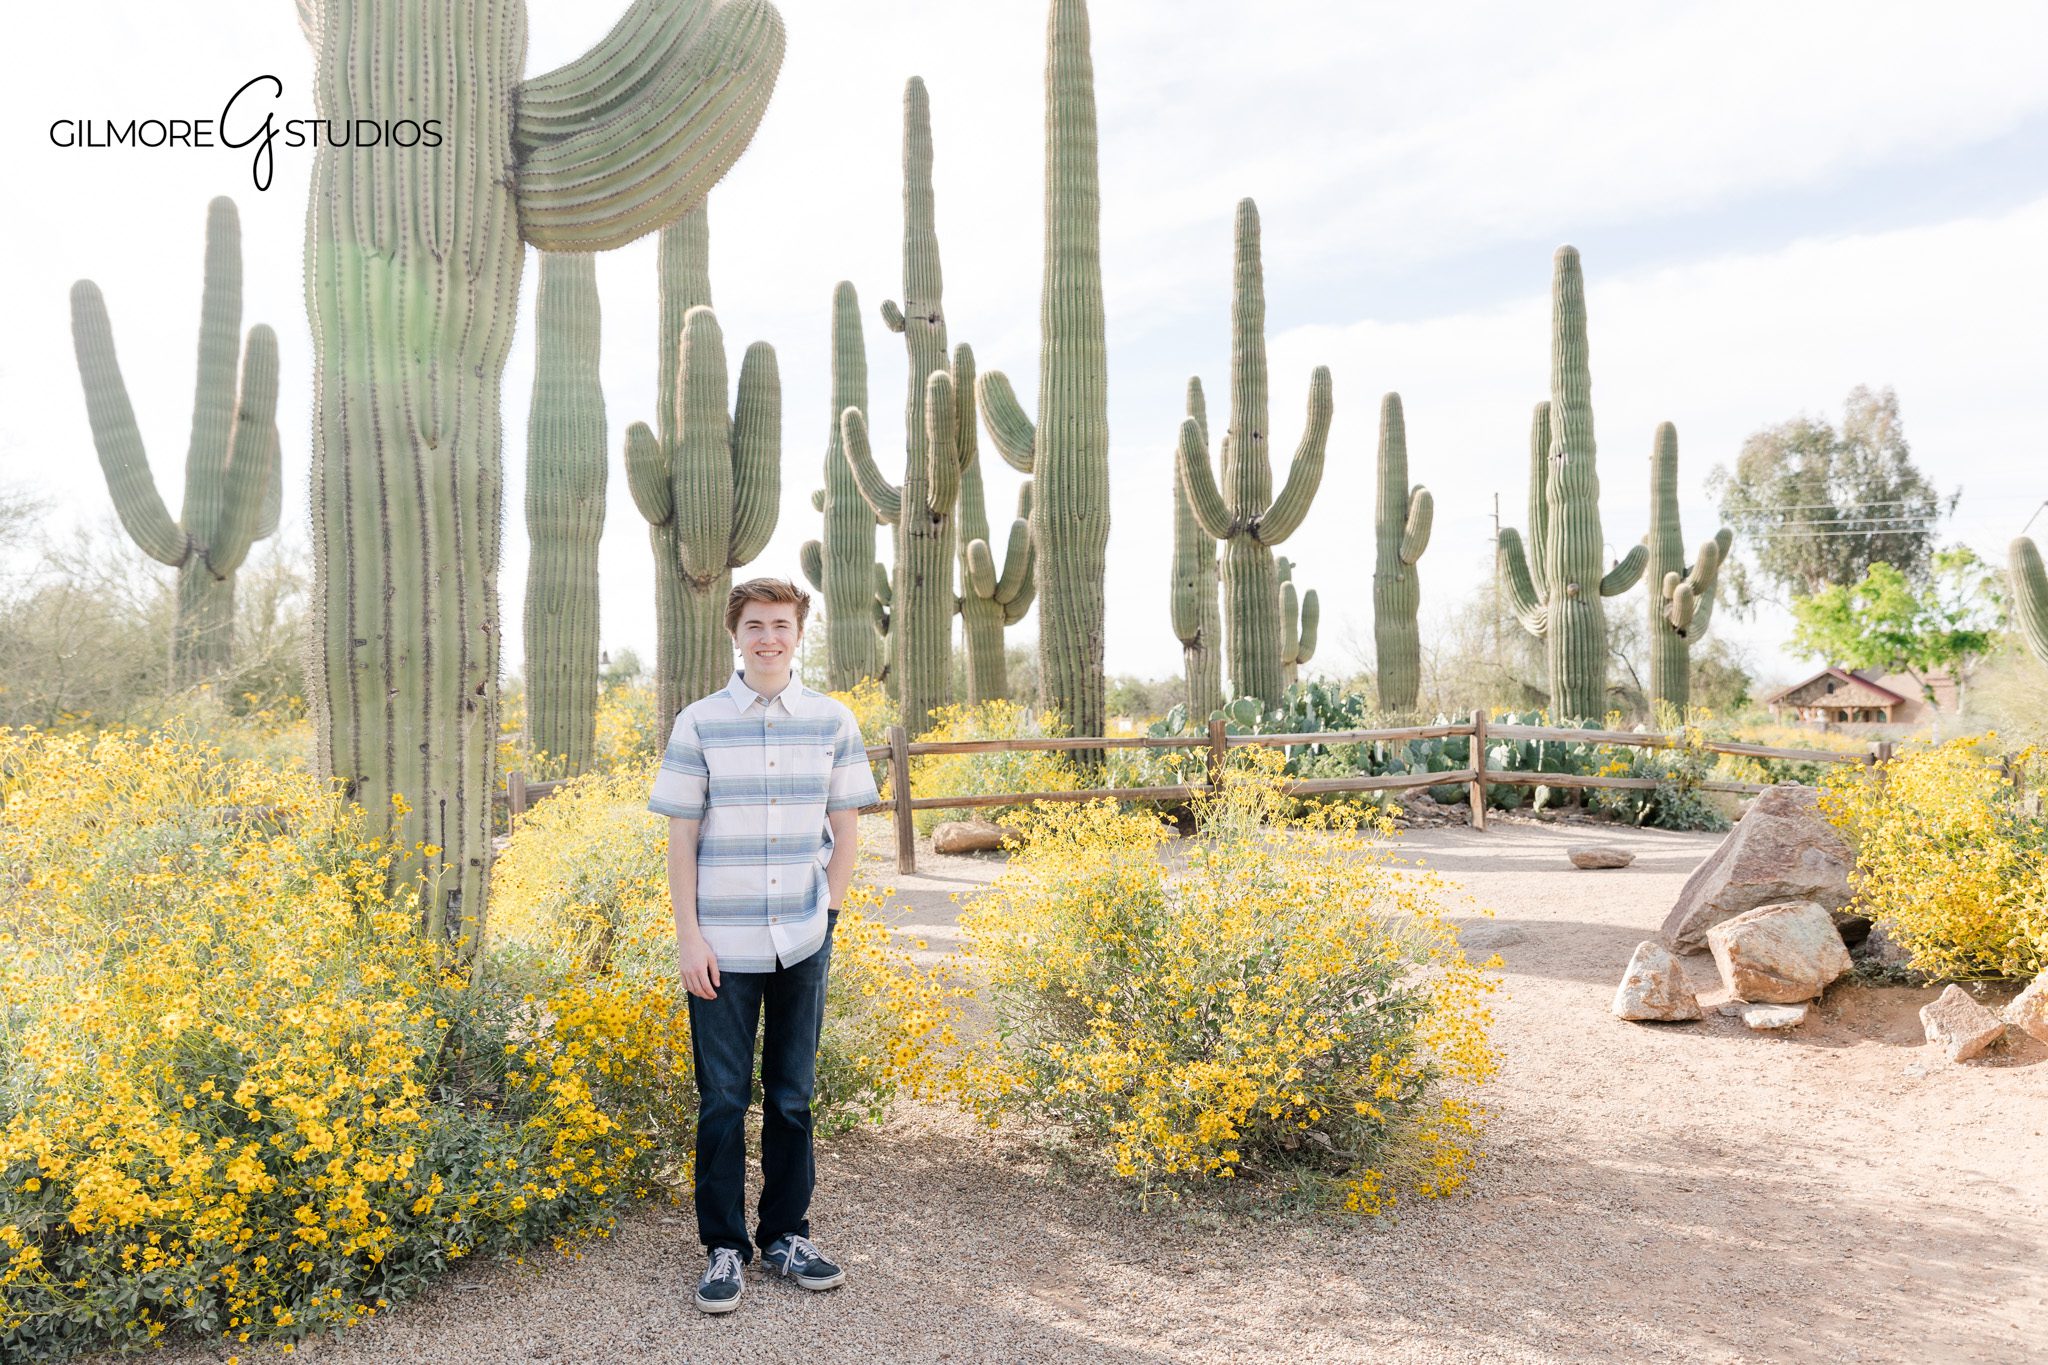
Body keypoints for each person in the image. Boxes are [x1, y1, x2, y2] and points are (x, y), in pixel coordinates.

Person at [647, 578, 879, 1315]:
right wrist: (688, 936)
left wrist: (830, 913)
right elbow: (682, 837)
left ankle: (785, 1234)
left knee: (792, 1097)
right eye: (755, 624)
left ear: (799, 632)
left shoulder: (832, 720)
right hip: (719, 941)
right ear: (736, 633)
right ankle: (724, 1246)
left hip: (805, 935)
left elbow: (847, 827)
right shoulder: (699, 722)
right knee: (721, 1098)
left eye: (781, 623)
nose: (768, 636)